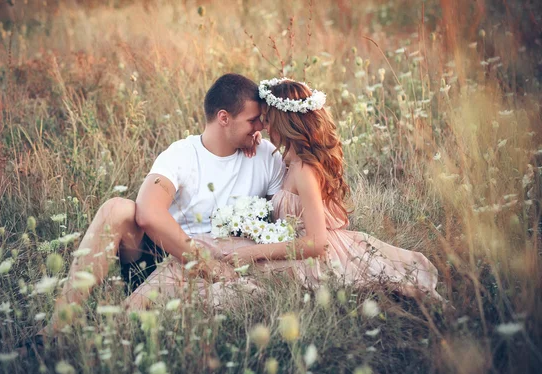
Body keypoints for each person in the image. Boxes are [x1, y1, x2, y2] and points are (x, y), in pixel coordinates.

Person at [126, 78, 442, 310]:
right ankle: (138, 304)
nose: (260, 128)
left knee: (215, 264)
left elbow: (317, 243)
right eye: (255, 121)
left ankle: (140, 307)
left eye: (265, 120)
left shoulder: (303, 169)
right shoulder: (287, 158)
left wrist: (251, 252)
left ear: (283, 122)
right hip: (285, 246)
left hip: (313, 257)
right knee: (204, 249)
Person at [42, 73, 286, 333]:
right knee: (117, 209)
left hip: (232, 264)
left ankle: (130, 320)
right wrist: (207, 265)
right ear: (224, 118)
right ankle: (55, 329)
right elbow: (147, 213)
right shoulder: (182, 154)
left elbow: (284, 223)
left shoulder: (266, 156)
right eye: (252, 121)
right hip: (168, 259)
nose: (260, 128)